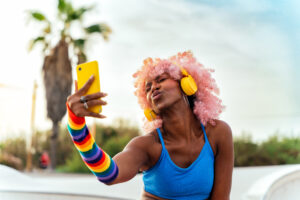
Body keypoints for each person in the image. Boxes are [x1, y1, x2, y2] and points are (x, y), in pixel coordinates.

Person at [66, 51, 234, 200]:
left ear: (186, 84)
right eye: (148, 88)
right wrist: (76, 125)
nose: (154, 87)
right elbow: (108, 174)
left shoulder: (218, 133)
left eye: (161, 79)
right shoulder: (147, 146)